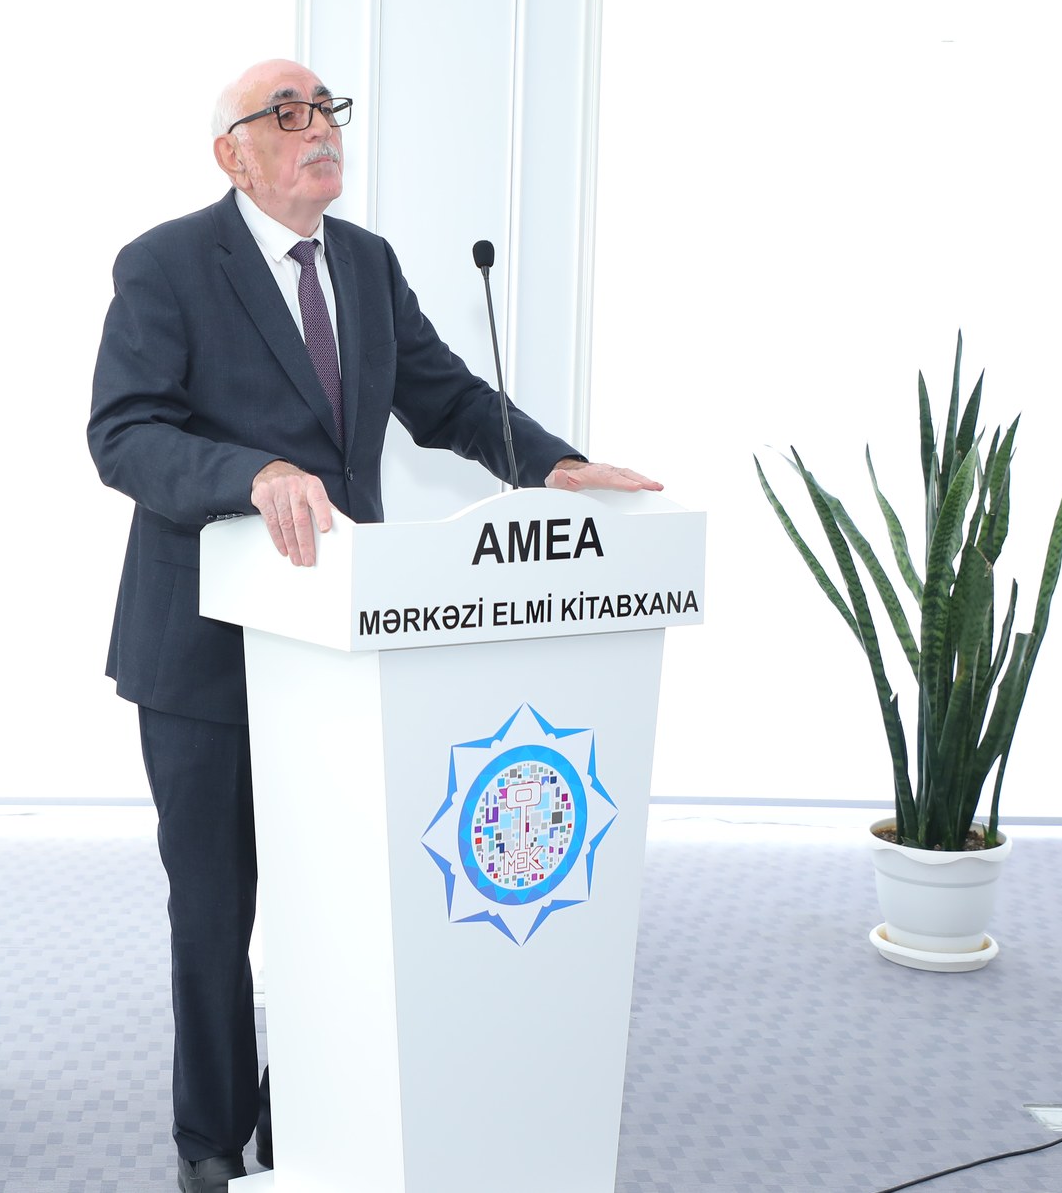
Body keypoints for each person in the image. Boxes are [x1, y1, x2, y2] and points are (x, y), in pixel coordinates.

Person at [86, 58, 662, 1193]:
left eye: (327, 111)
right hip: (203, 647)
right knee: (216, 908)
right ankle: (211, 1139)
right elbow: (125, 433)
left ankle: (309, 1113)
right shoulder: (164, 264)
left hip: (351, 649)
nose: (319, 130)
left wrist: (554, 464)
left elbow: (445, 397)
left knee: (337, 897)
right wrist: (252, 473)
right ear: (232, 154)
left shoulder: (364, 261)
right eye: (287, 114)